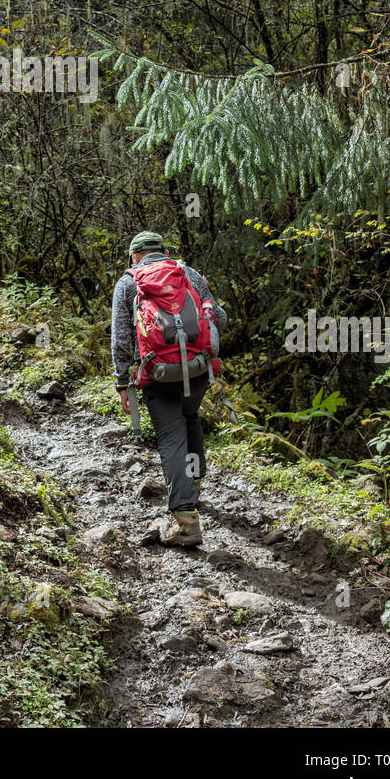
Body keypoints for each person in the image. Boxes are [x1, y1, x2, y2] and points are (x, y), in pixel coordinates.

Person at [111, 231, 228, 547]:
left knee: (171, 435)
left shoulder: (127, 283)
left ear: (135, 256)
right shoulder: (188, 274)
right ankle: (195, 485)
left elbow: (122, 340)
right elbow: (220, 318)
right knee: (190, 419)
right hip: (198, 370)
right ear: (163, 251)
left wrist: (123, 382)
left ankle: (187, 524)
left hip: (156, 373)